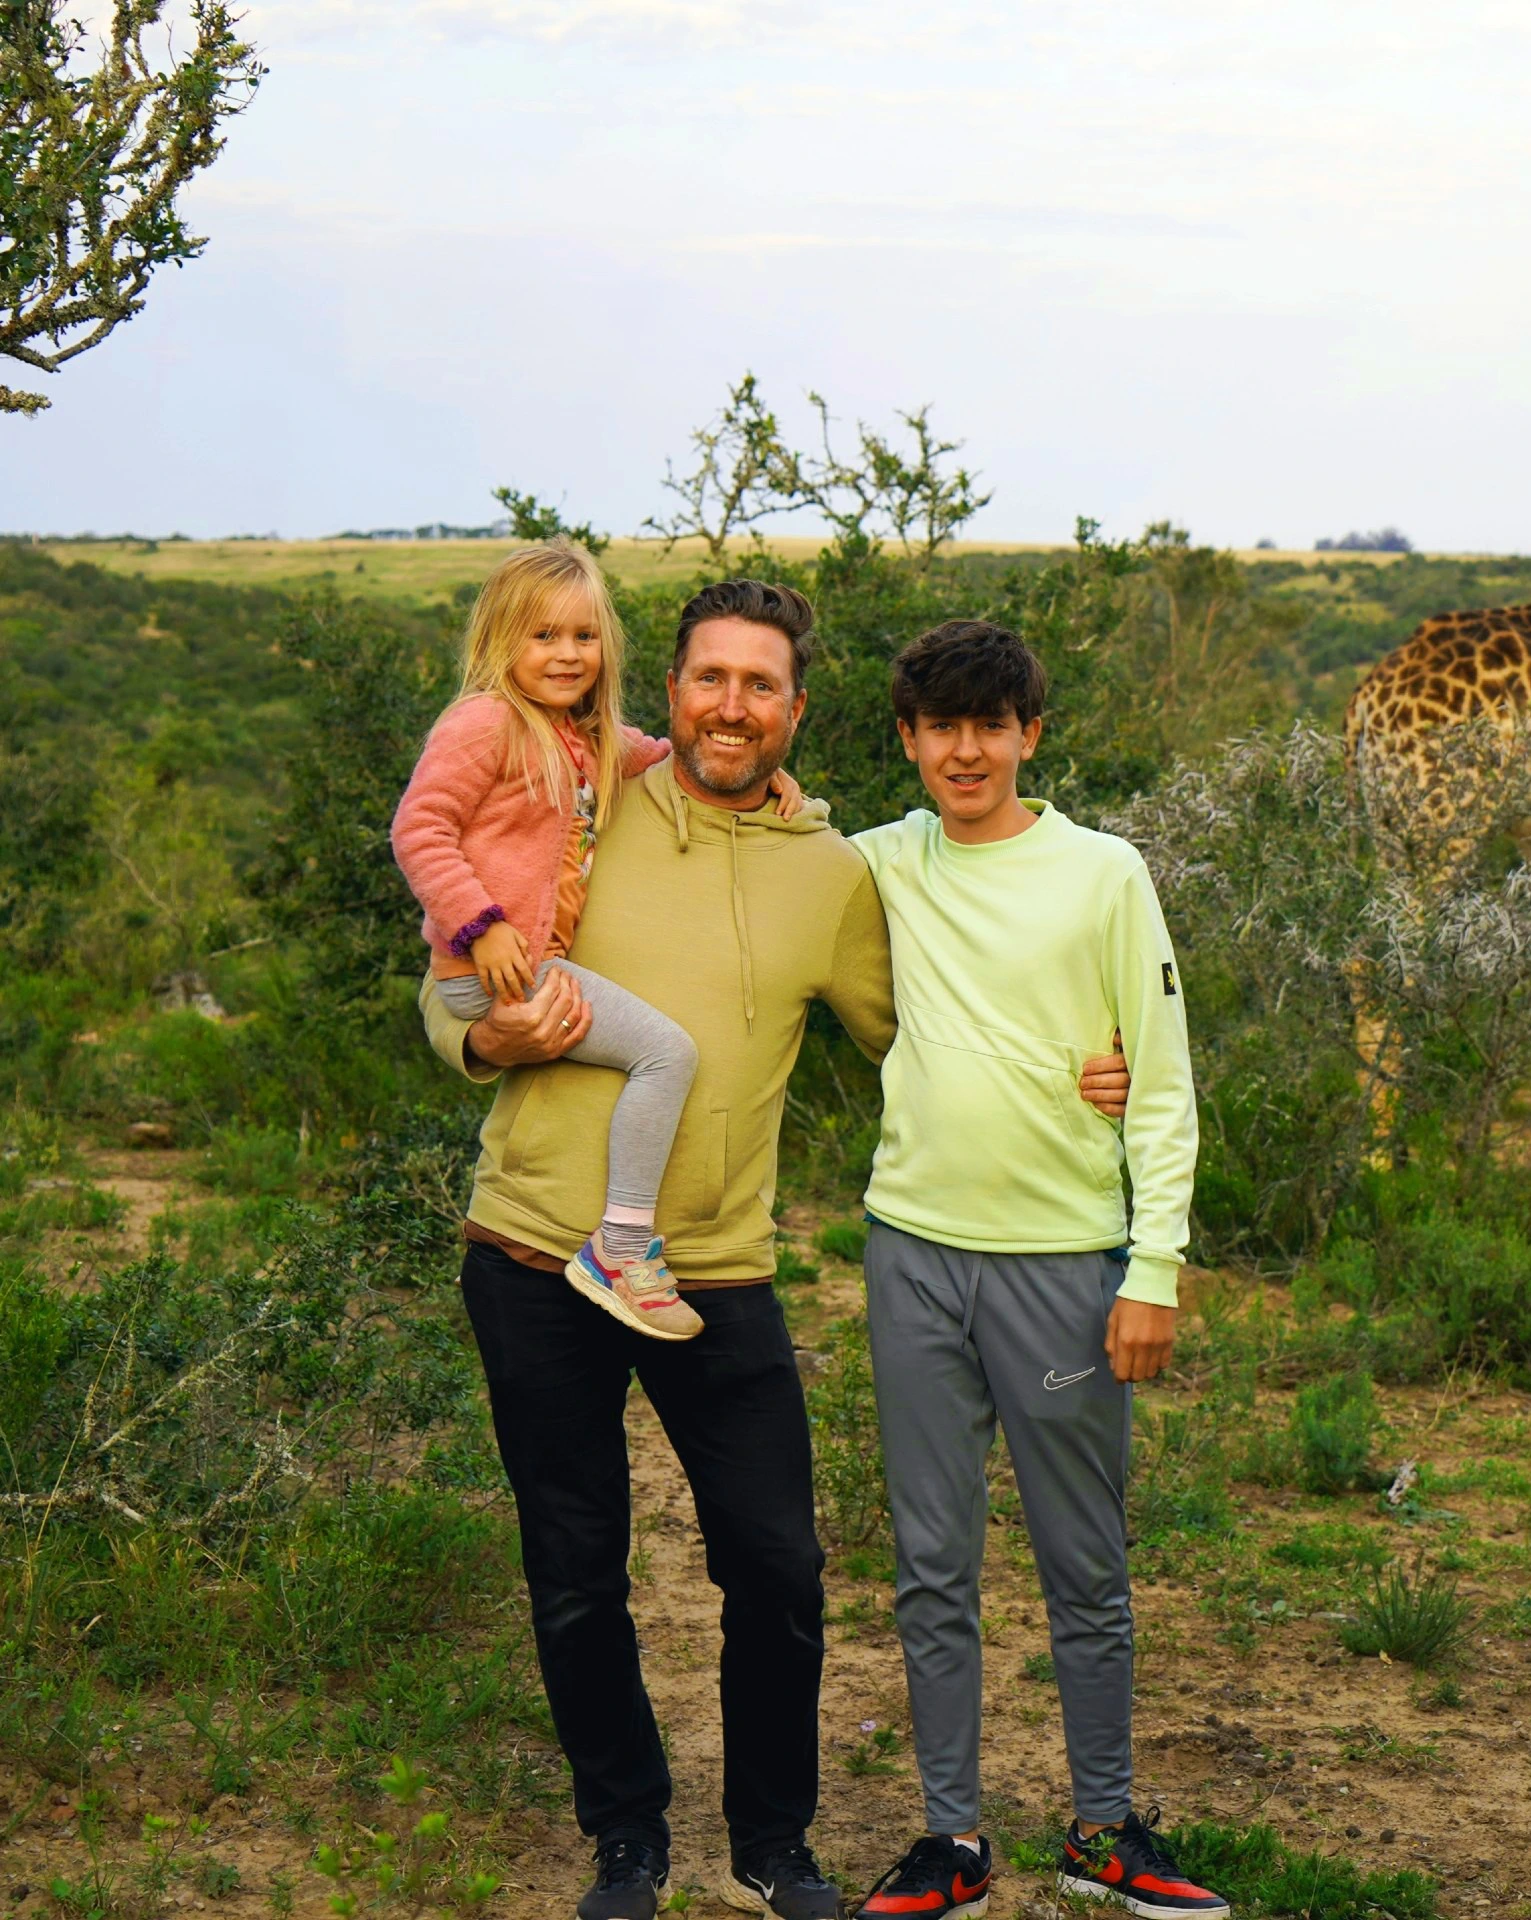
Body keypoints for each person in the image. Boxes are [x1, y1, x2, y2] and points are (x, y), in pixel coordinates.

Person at [416, 581, 1131, 1920]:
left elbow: (925, 1027)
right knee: (576, 1571)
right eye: (708, 679)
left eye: (760, 685)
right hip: (530, 1251)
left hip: (717, 1274)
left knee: (781, 1573)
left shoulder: (834, 872)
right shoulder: (590, 803)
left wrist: (1087, 1065)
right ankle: (626, 1836)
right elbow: (449, 957)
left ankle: (772, 1846)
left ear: (797, 709)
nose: (730, 706)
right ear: (666, 690)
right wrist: (471, 1036)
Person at [847, 619, 1229, 1920]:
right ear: (908, 739)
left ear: (1030, 735)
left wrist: (1154, 1266)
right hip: (912, 1256)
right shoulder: (877, 864)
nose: (966, 750)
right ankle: (951, 1841)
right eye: (940, 727)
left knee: (1085, 1566)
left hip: (1068, 1266)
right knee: (932, 1562)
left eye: (990, 725)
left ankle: (1106, 1826)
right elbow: (753, 845)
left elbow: (1165, 1084)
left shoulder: (1105, 874)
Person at [393, 539, 801, 1339]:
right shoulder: (485, 723)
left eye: (583, 636)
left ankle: (617, 1243)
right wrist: (482, 927)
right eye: (543, 636)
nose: (567, 654)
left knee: (655, 1052)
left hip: (518, 963)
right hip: (495, 967)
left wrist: (765, 778)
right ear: (499, 641)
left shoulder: (577, 735)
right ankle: (619, 1247)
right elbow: (421, 827)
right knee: (666, 1054)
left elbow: (656, 754)